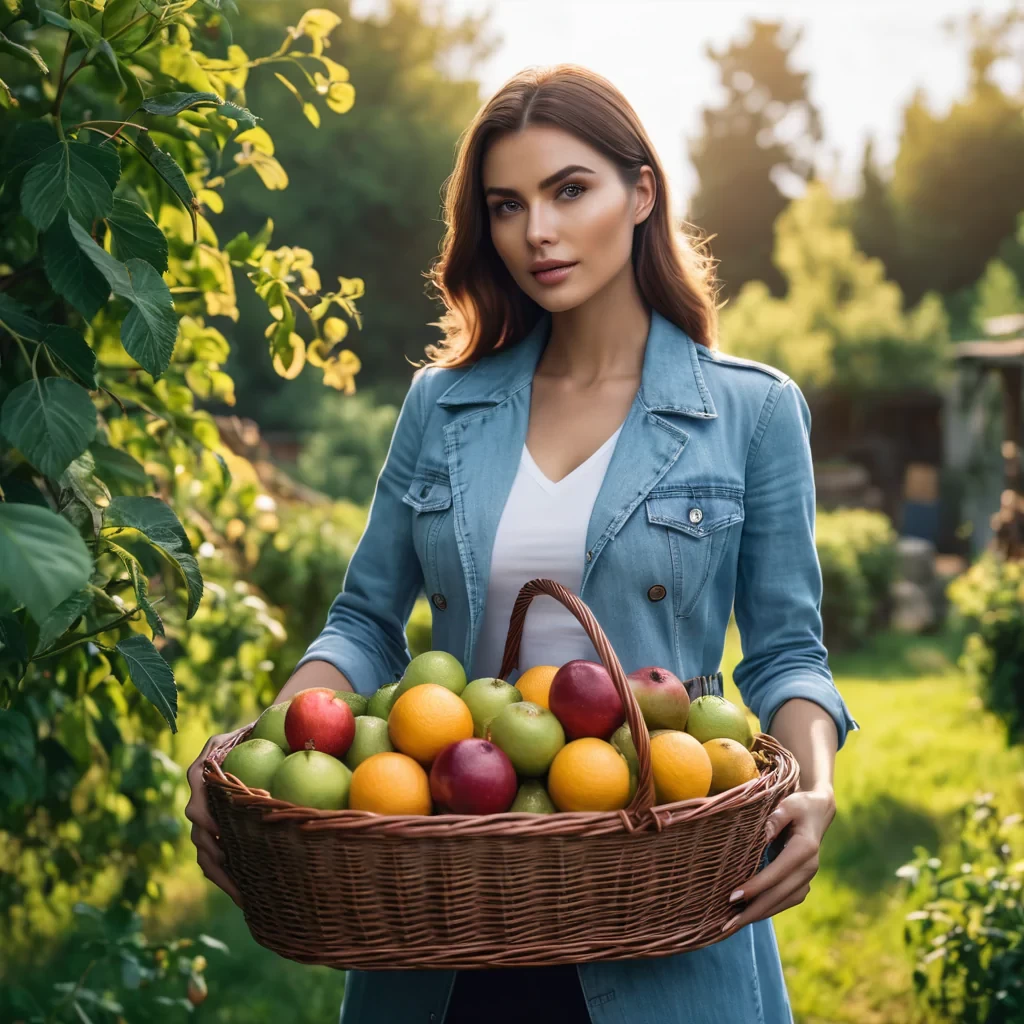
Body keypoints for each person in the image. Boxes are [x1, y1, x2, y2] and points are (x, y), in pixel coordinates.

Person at [186, 63, 859, 1024]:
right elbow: (365, 621)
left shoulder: (748, 411)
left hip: (659, 886)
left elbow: (790, 653)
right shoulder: (444, 404)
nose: (536, 231)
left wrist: (816, 792)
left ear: (642, 192)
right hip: (440, 888)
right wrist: (260, 753)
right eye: (507, 205)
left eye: (569, 190)